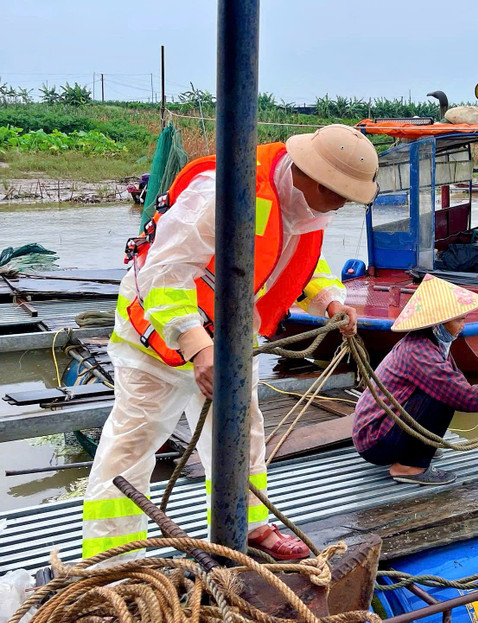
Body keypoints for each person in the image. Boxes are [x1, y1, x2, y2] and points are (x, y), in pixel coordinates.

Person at [82, 124, 379, 562]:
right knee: (131, 446)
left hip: (229, 342)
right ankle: (112, 559)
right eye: (338, 194)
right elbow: (165, 272)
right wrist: (198, 347)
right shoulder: (222, 190)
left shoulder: (305, 209)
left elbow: (300, 264)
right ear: (311, 176)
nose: (340, 205)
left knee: (244, 435)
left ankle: (251, 526)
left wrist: (331, 302)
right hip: (157, 339)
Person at [352, 275, 478, 485]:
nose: (463, 326)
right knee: (445, 398)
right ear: (439, 323)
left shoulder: (430, 343)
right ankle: (409, 466)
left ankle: (415, 449)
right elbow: (464, 396)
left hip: (379, 429)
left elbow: (458, 383)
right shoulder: (420, 353)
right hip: (375, 440)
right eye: (459, 320)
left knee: (446, 390)